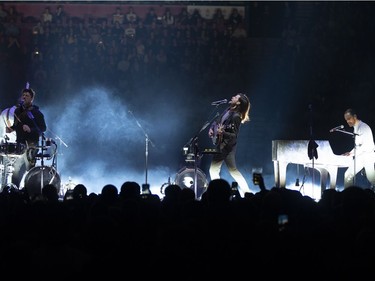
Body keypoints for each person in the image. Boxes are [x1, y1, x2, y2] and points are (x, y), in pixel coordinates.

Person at [208, 93, 251, 197]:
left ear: (238, 102)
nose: (232, 97)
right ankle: (247, 192)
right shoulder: (228, 110)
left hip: (227, 147)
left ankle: (218, 193)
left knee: (213, 170)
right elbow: (218, 121)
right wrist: (212, 128)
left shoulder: (236, 116)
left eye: (235, 97)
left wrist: (222, 133)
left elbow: (233, 135)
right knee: (232, 170)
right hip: (224, 146)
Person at [5, 87, 47, 188]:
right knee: (16, 169)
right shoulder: (17, 111)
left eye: (27, 96)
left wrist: (30, 129)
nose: (24, 97)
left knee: (30, 169)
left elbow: (43, 128)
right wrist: (12, 128)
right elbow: (17, 125)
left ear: (32, 98)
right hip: (20, 143)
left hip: (31, 144)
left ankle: (29, 190)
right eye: (23, 95)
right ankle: (15, 190)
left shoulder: (37, 113)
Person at [342, 108, 375, 189]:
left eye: (349, 119)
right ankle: (347, 197)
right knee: (347, 175)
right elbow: (358, 146)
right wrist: (350, 153)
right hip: (360, 157)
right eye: (346, 120)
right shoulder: (356, 128)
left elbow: (366, 146)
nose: (347, 121)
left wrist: (353, 153)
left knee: (372, 179)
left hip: (368, 156)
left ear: (355, 116)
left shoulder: (364, 127)